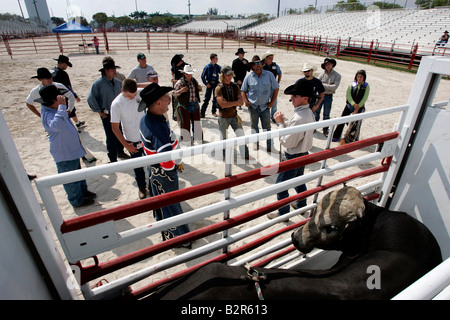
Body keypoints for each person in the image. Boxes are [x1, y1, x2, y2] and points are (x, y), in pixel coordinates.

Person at [139, 82, 191, 247]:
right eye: (165, 98)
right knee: (171, 204)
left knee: (161, 201)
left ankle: (165, 227)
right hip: (163, 172)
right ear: (158, 103)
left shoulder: (147, 118)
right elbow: (166, 159)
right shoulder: (158, 127)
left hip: (153, 169)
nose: (169, 100)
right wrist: (173, 168)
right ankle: (179, 239)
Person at [35, 84, 96, 207]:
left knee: (77, 174)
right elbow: (55, 125)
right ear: (53, 100)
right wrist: (62, 107)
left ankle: (82, 193)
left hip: (71, 151)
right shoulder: (49, 113)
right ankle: (76, 200)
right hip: (64, 153)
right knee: (70, 179)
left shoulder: (53, 109)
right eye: (60, 98)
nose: (63, 98)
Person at [267, 79, 316, 220]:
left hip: (293, 156)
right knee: (299, 180)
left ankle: (283, 214)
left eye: (295, 96)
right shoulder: (309, 113)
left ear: (305, 98)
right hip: (304, 153)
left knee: (281, 186)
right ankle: (301, 205)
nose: (291, 98)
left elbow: (288, 142)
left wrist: (281, 124)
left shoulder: (299, 117)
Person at [110, 79, 148, 199]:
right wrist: (126, 145)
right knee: (138, 167)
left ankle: (153, 185)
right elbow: (115, 128)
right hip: (132, 141)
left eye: (134, 94)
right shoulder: (116, 104)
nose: (132, 98)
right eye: (129, 95)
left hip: (146, 138)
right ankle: (142, 187)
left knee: (152, 164)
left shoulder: (139, 93)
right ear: (122, 91)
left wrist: (137, 86)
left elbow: (153, 85)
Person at [87, 57, 129, 163]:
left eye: (114, 69)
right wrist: (100, 112)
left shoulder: (118, 82)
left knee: (120, 132)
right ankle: (112, 157)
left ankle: (120, 151)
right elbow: (91, 99)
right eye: (112, 69)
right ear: (106, 71)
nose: (115, 71)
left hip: (119, 113)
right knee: (110, 136)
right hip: (107, 114)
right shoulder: (98, 84)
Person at [241, 55, 279, 152]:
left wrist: (272, 102)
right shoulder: (248, 77)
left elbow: (276, 88)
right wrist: (246, 101)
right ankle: (255, 143)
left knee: (267, 127)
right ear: (252, 66)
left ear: (262, 64)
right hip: (253, 106)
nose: (258, 65)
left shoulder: (269, 75)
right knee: (254, 126)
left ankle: (269, 145)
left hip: (265, 106)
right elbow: (243, 91)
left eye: (259, 63)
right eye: (255, 64)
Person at [215, 66, 250, 160]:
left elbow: (241, 102)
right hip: (223, 117)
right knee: (224, 138)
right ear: (223, 75)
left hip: (233, 115)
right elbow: (222, 104)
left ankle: (245, 154)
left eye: (231, 74)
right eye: (228, 74)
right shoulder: (219, 88)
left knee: (241, 135)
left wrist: (228, 103)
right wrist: (235, 103)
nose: (230, 76)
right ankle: (225, 155)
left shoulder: (235, 86)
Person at [332, 70, 370, 144]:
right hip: (350, 105)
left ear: (364, 78)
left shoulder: (366, 86)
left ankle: (350, 137)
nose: (359, 78)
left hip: (359, 106)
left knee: (355, 123)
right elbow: (348, 95)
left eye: (361, 77)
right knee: (342, 119)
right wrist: (353, 104)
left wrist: (358, 107)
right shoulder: (352, 85)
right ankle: (336, 135)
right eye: (358, 76)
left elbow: (365, 97)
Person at [52, 55, 85, 128]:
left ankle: (77, 122)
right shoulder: (62, 74)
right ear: (63, 63)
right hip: (63, 96)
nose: (67, 66)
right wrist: (75, 95)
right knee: (69, 110)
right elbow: (68, 87)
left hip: (53, 97)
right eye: (67, 64)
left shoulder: (51, 71)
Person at [173, 64, 203, 145]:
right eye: (188, 74)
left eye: (190, 74)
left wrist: (199, 89)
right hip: (184, 106)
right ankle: (186, 141)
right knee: (185, 124)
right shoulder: (179, 83)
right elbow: (174, 94)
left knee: (196, 123)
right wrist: (180, 91)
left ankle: (198, 140)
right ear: (184, 74)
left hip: (195, 104)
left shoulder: (194, 81)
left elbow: (195, 91)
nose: (190, 75)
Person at [317, 58, 341, 137]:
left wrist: (323, 84)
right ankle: (313, 127)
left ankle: (325, 129)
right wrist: (329, 86)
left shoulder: (337, 75)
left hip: (328, 96)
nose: (327, 66)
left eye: (329, 64)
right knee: (316, 112)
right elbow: (317, 84)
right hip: (321, 95)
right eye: (326, 65)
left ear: (332, 65)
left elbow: (334, 87)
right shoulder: (322, 74)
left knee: (326, 114)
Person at [262, 50, 282, 122]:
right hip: (265, 87)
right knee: (264, 101)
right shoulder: (262, 66)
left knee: (274, 101)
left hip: (273, 87)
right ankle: (265, 115)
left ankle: (273, 116)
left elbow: (280, 74)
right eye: (270, 58)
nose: (271, 59)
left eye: (272, 58)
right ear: (266, 58)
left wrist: (277, 83)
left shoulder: (275, 66)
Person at [200, 53, 221, 117]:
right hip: (209, 84)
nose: (217, 59)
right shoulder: (207, 67)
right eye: (216, 58)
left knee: (215, 98)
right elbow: (203, 76)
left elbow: (222, 72)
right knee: (207, 99)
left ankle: (213, 111)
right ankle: (202, 112)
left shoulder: (217, 67)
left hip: (215, 83)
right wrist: (206, 83)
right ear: (212, 59)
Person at [170, 54, 189, 121]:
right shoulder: (175, 65)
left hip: (183, 84)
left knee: (183, 99)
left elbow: (188, 75)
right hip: (176, 84)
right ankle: (175, 114)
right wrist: (172, 79)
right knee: (175, 100)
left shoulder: (186, 66)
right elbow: (172, 71)